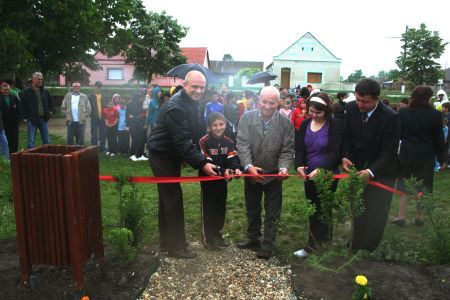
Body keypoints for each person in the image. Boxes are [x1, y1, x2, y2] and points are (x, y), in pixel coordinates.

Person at [147, 70, 218, 259]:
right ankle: (177, 247)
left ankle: (166, 242)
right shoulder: (176, 107)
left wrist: (201, 153)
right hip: (162, 154)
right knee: (172, 198)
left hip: (172, 153)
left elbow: (194, 133)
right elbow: (182, 141)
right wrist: (202, 163)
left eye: (202, 87)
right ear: (185, 85)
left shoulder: (193, 103)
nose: (198, 90)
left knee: (167, 197)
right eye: (195, 86)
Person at [341, 78, 400, 252]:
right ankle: (356, 241)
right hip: (356, 169)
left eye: (365, 102)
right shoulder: (351, 108)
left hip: (382, 173)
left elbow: (389, 152)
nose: (360, 104)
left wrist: (371, 171)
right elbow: (347, 137)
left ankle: (369, 249)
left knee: (377, 212)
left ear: (376, 99)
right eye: (357, 99)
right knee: (358, 208)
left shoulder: (391, 117)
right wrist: (345, 156)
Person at [236, 86, 295, 259]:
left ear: (279, 103)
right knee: (252, 208)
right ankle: (253, 238)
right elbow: (242, 144)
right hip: (251, 173)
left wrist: (284, 167)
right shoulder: (246, 118)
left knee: (272, 211)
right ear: (258, 100)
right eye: (264, 101)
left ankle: (268, 244)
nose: (267, 106)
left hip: (273, 175)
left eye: (272, 103)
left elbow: (287, 150)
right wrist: (248, 166)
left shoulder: (286, 124)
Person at [294, 93, 344, 257]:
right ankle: (312, 244)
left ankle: (326, 242)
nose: (313, 115)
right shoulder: (306, 124)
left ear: (326, 111)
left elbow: (334, 151)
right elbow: (300, 148)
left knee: (325, 209)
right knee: (312, 209)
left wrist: (323, 168)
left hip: (328, 175)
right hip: (309, 175)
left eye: (318, 113)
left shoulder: (335, 125)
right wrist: (299, 165)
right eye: (311, 112)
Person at [392, 86, 445, 227]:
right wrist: (442, 159)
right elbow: (439, 139)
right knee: (424, 187)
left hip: (407, 155)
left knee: (404, 186)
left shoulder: (403, 113)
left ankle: (401, 217)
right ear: (428, 98)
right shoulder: (435, 115)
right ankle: (419, 217)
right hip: (426, 157)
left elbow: (398, 134)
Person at [198, 112, 242, 249]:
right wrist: (223, 171)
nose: (218, 127)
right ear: (209, 127)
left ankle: (217, 234)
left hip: (222, 181)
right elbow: (206, 161)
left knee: (220, 208)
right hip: (208, 181)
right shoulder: (203, 141)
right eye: (215, 125)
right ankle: (208, 238)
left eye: (221, 124)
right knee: (209, 208)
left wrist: (236, 169)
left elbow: (233, 158)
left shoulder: (229, 141)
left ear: (225, 124)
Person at [19, 72, 54, 148]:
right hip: (31, 119)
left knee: (47, 140)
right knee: (31, 141)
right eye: (38, 79)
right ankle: (31, 158)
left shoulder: (45, 91)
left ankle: (47, 157)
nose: (40, 81)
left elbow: (51, 103)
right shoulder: (25, 92)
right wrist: (25, 117)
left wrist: (50, 111)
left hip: (43, 119)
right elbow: (22, 106)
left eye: (41, 79)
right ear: (33, 80)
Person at [0, 82, 21, 153]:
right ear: (1, 90)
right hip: (4, 123)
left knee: (15, 138)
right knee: (6, 139)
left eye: (7, 89)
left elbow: (19, 108)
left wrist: (19, 118)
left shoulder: (14, 97)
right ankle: (7, 154)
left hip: (14, 122)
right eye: (4, 89)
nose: (6, 91)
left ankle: (14, 153)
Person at [127, 92, 147, 161]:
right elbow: (128, 116)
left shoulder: (141, 105)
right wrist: (127, 125)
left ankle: (140, 155)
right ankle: (132, 155)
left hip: (140, 125)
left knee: (141, 140)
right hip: (133, 126)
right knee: (135, 140)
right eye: (142, 97)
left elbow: (143, 114)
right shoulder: (130, 105)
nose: (143, 98)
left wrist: (135, 117)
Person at [88, 81, 107, 151]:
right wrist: (91, 114)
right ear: (94, 86)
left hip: (103, 118)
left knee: (103, 133)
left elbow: (106, 106)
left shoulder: (104, 96)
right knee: (94, 133)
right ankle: (94, 148)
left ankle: (102, 148)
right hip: (94, 117)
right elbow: (88, 107)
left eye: (100, 87)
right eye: (97, 86)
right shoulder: (90, 96)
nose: (98, 88)